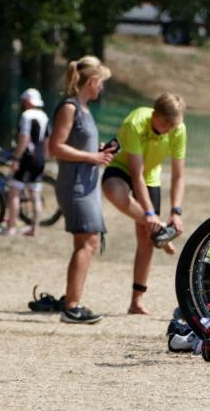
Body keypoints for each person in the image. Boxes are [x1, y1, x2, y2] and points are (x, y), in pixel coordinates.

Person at [102, 93, 187, 315]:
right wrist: (149, 214)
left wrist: (176, 211)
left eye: (173, 125)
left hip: (150, 176)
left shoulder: (178, 129)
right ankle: (159, 230)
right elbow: (135, 173)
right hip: (123, 168)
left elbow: (178, 175)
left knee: (145, 239)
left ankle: (136, 301)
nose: (169, 129)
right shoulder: (136, 122)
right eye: (165, 123)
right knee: (112, 190)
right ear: (154, 114)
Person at [49, 56, 115, 324]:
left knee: (87, 242)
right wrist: (92, 157)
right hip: (75, 184)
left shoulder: (84, 109)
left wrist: (96, 152)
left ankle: (72, 302)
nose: (102, 88)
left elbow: (75, 144)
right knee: (88, 242)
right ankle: (71, 307)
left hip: (86, 184)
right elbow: (55, 146)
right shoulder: (69, 107)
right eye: (101, 82)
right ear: (92, 81)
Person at [3, 88, 50, 237]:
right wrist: (45, 157)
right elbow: (47, 139)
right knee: (35, 193)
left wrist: (16, 158)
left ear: (28, 101)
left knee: (14, 192)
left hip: (27, 157)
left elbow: (24, 138)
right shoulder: (44, 116)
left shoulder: (26, 115)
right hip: (40, 157)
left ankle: (11, 226)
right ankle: (35, 228)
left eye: (24, 101)